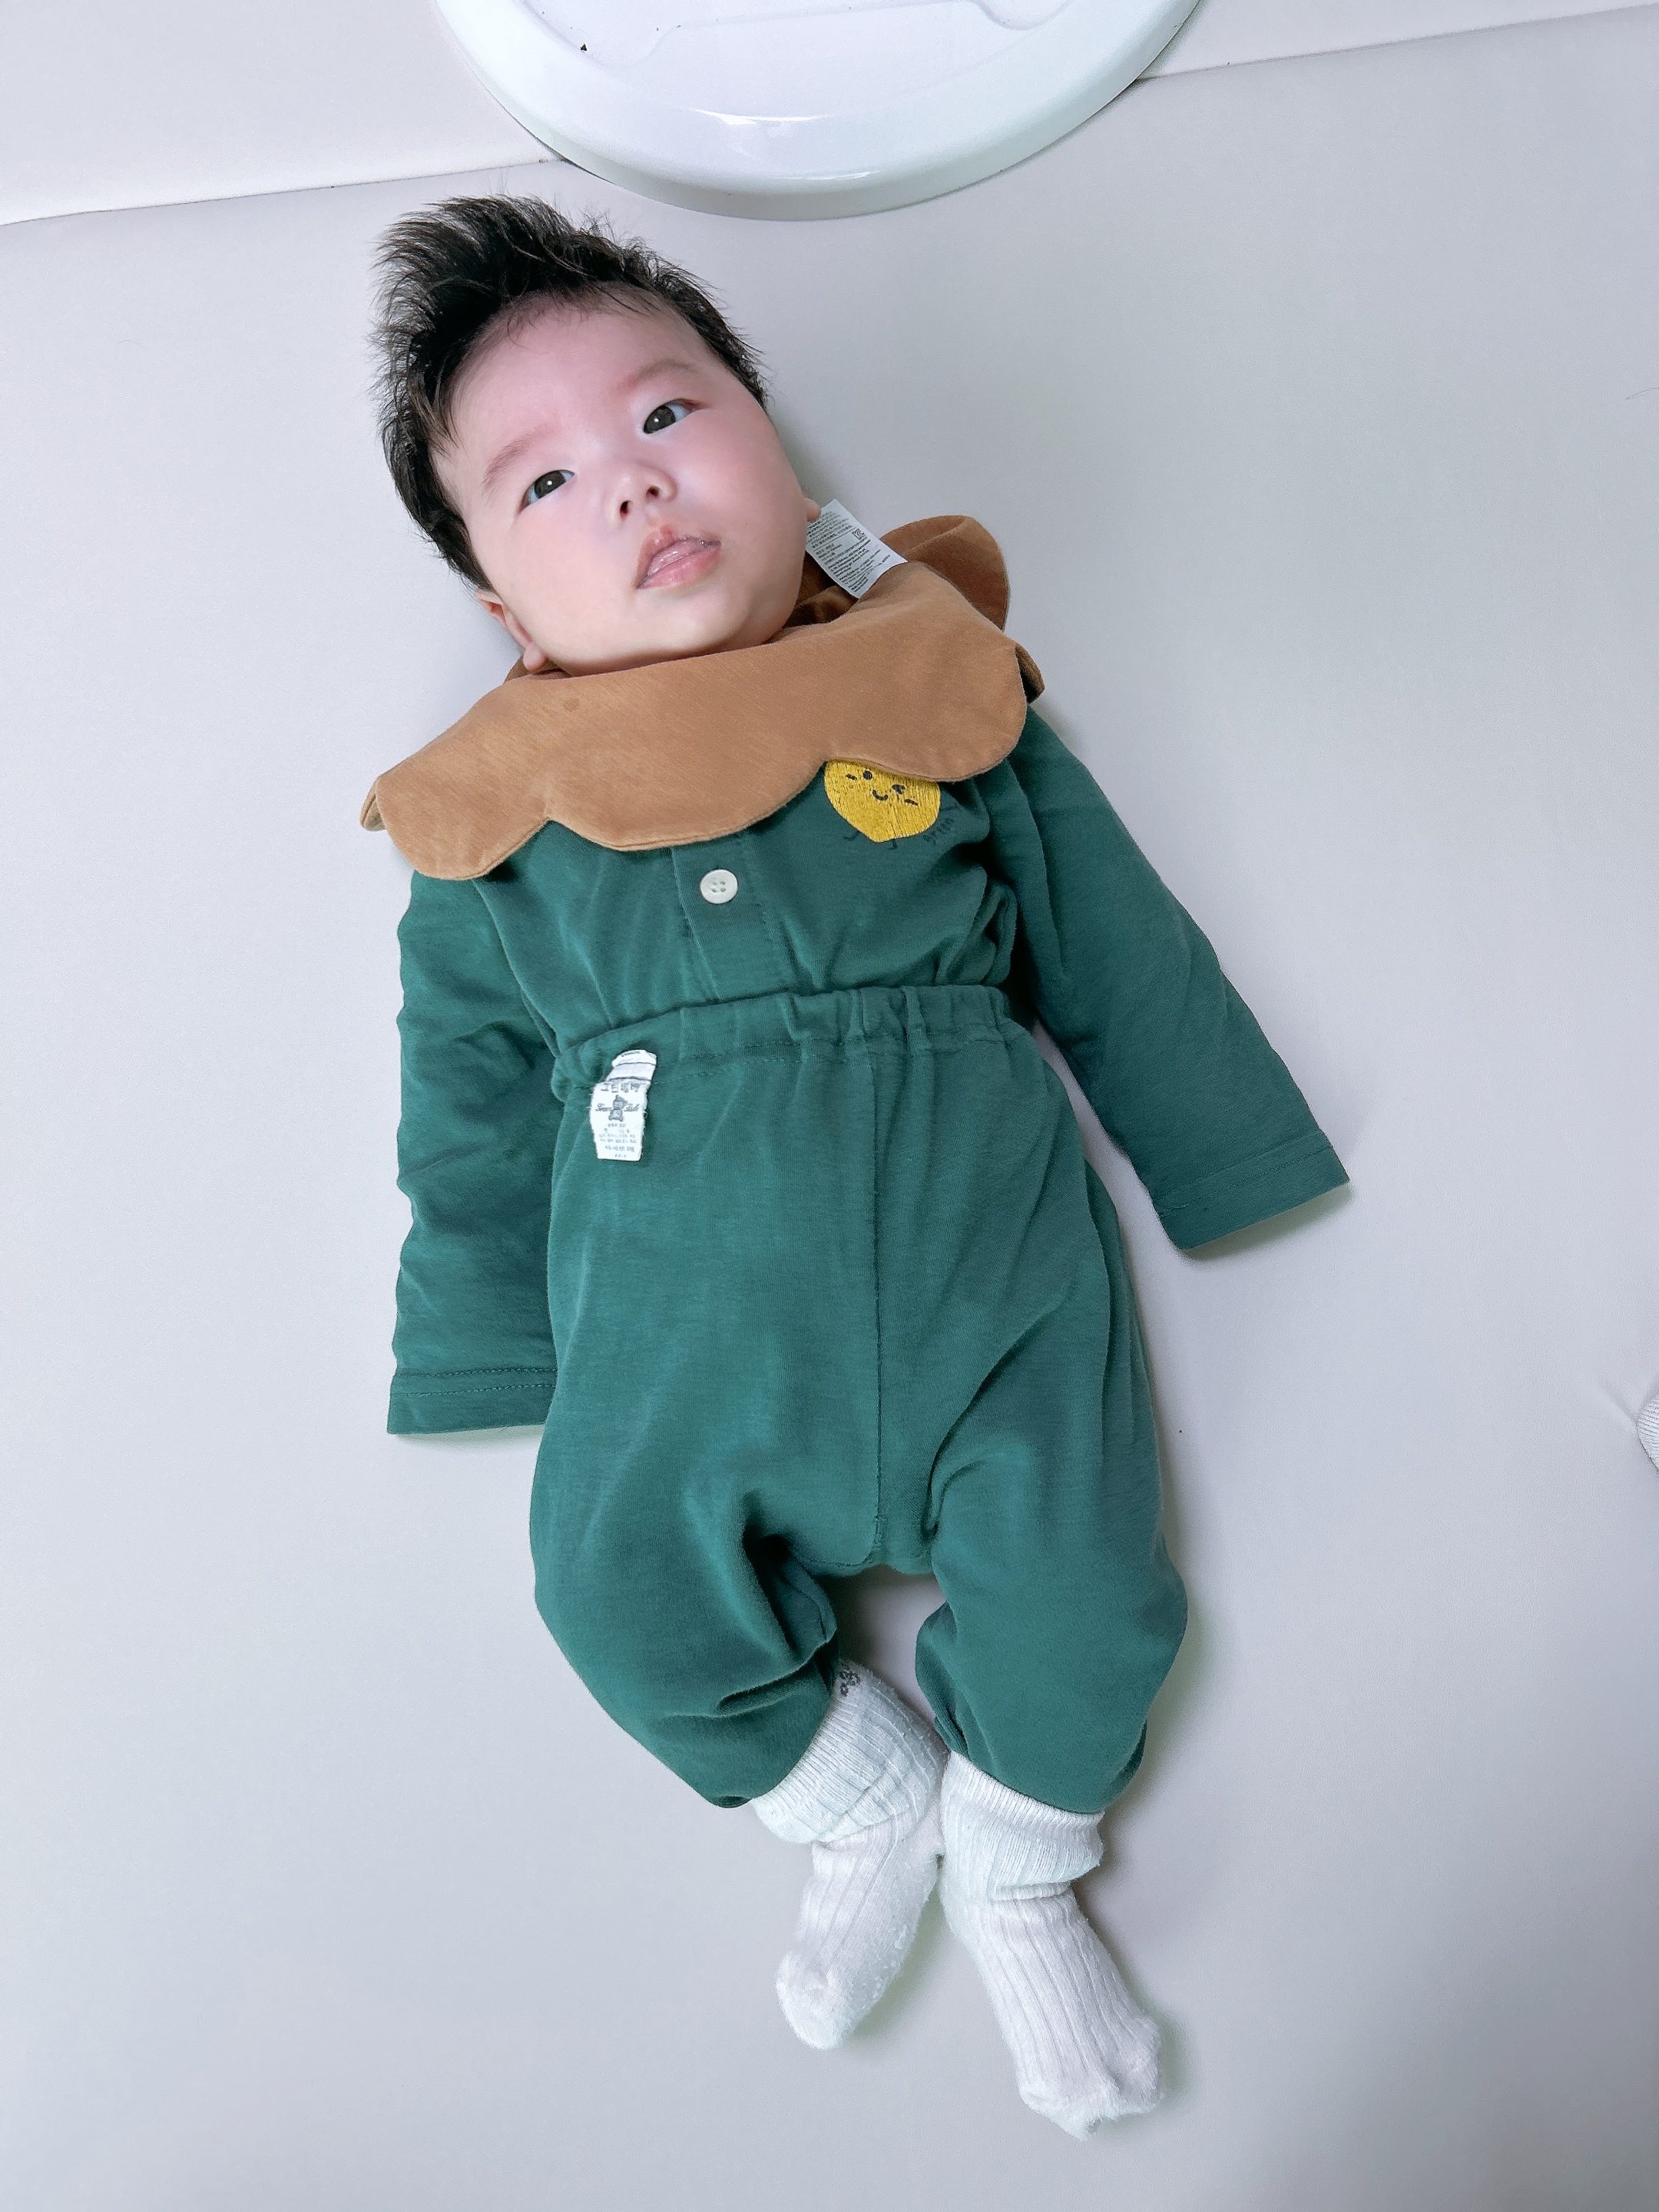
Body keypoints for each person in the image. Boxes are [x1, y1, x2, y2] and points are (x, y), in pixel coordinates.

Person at [363, 195, 1347, 2137]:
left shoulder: (936, 692)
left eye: (672, 413)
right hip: (676, 1350)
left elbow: (1115, 948)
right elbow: (465, 1108)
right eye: (547, 481)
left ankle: (1019, 1866)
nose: (635, 483)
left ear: (777, 449)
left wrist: (1224, 1155)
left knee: (1098, 1605)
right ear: (503, 611)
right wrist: (481, 1344)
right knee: (604, 1586)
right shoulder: (494, 828)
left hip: (997, 1308)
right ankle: (864, 1798)